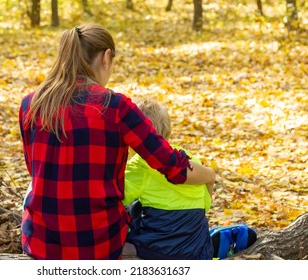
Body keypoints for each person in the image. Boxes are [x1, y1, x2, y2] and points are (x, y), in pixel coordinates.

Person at [19, 23, 216, 260]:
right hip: (99, 245)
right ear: (106, 57)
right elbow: (173, 167)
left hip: (41, 243)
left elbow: (36, 170)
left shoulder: (31, 104)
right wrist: (210, 175)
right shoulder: (116, 107)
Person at [123, 98, 214, 260]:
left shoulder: (139, 165)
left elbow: (118, 196)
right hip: (198, 247)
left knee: (130, 210)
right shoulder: (190, 158)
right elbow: (206, 204)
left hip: (160, 247)